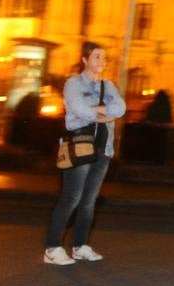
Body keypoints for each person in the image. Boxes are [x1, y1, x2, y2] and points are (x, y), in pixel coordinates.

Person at [43, 41, 126, 266]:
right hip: (79, 144)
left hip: (102, 148)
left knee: (89, 200)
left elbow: (120, 107)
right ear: (85, 60)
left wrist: (98, 112)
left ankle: (80, 246)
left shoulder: (108, 86)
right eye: (97, 57)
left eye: (104, 57)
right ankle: (52, 247)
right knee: (72, 197)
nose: (103, 61)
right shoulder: (73, 83)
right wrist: (103, 114)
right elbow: (77, 108)